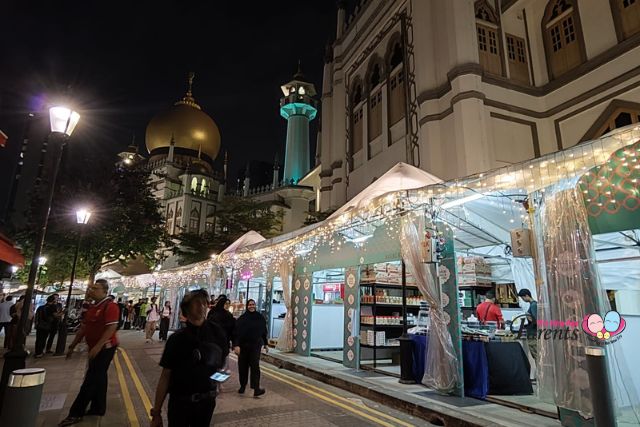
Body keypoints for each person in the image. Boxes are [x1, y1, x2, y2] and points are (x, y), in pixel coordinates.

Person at [151, 289, 228, 427]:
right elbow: (165, 376)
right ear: (186, 308)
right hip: (180, 402)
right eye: (197, 303)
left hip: (206, 403)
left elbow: (224, 366)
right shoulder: (176, 339)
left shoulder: (217, 332)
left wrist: (216, 384)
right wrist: (156, 412)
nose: (202, 306)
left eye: (204, 303)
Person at [58, 279, 120, 427]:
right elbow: (84, 328)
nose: (91, 290)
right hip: (94, 347)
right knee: (99, 377)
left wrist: (98, 346)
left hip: (105, 348)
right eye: (91, 288)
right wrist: (73, 345)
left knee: (90, 379)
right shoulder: (92, 307)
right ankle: (98, 408)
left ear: (105, 291)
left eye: (95, 288)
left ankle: (75, 413)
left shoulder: (110, 306)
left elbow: (111, 329)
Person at [233, 299, 268, 397]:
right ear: (247, 306)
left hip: (255, 346)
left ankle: (256, 388)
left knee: (255, 367)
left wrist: (265, 343)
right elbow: (236, 333)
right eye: (249, 305)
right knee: (243, 367)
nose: (251, 306)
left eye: (253, 304)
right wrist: (236, 345)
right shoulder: (242, 319)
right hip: (243, 347)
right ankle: (243, 386)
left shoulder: (260, 318)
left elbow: (264, 332)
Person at [207, 296, 235, 378]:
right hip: (214, 342)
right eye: (225, 304)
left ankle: (217, 383)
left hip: (224, 342)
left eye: (228, 304)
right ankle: (213, 382)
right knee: (214, 362)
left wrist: (234, 342)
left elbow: (232, 330)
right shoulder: (212, 313)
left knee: (222, 363)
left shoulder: (229, 315)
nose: (227, 305)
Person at [517, 289, 538, 364]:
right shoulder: (533, 305)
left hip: (534, 334)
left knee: (536, 355)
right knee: (535, 355)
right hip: (532, 334)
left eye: (522, 298)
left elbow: (537, 321)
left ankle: (540, 374)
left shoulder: (533, 305)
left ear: (526, 296)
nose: (522, 300)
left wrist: (529, 318)